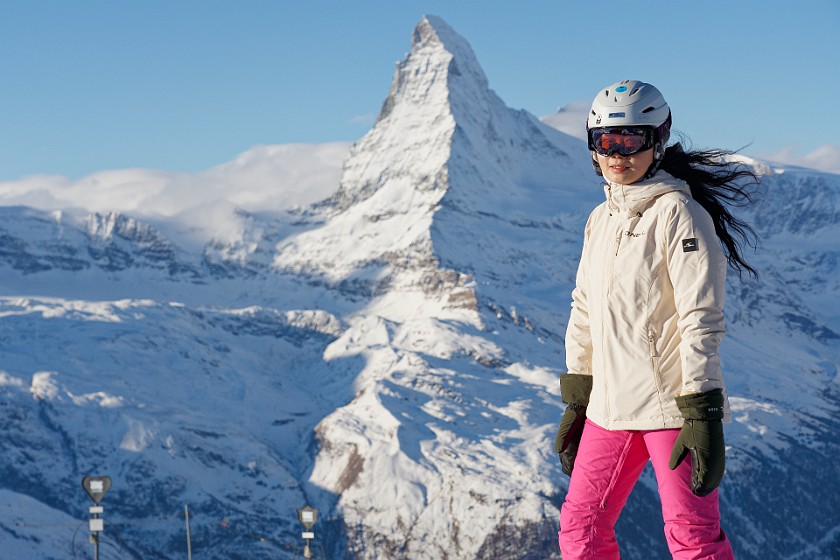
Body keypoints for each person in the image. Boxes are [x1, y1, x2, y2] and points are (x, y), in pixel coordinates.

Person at [555, 79, 758, 559]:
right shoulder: (599, 220)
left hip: (672, 409)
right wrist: (579, 397)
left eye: (633, 140)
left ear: (657, 142)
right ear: (592, 146)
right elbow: (583, 308)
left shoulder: (679, 216)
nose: (618, 154)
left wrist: (702, 412)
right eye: (607, 141)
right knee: (580, 532)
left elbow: (700, 319)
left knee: (692, 537)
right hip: (608, 410)